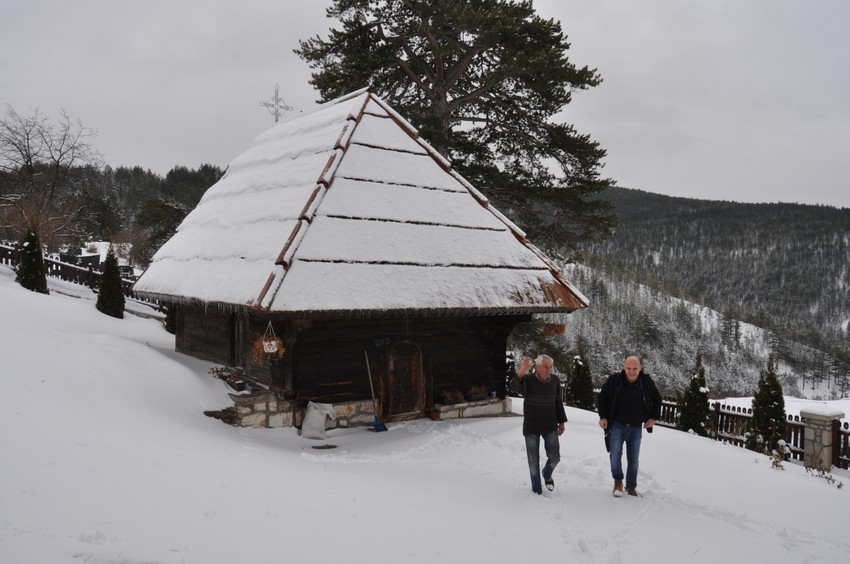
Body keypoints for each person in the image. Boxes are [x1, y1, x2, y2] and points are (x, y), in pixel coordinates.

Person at [596, 356, 662, 497]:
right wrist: (602, 416)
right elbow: (601, 398)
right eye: (628, 368)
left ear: (640, 368)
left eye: (635, 369)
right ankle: (618, 481)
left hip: (636, 427)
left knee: (633, 459)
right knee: (615, 455)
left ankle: (631, 487)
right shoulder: (615, 381)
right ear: (624, 367)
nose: (631, 372)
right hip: (617, 425)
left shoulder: (646, 382)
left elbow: (657, 399)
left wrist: (653, 418)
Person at [509, 354, 567, 495]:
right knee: (533, 462)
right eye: (545, 367)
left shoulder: (555, 380)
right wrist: (521, 372)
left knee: (555, 457)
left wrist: (561, 421)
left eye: (550, 367)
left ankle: (547, 474)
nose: (548, 370)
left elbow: (558, 402)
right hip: (531, 427)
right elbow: (513, 388)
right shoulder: (528, 380)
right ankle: (537, 492)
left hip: (550, 425)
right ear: (537, 367)